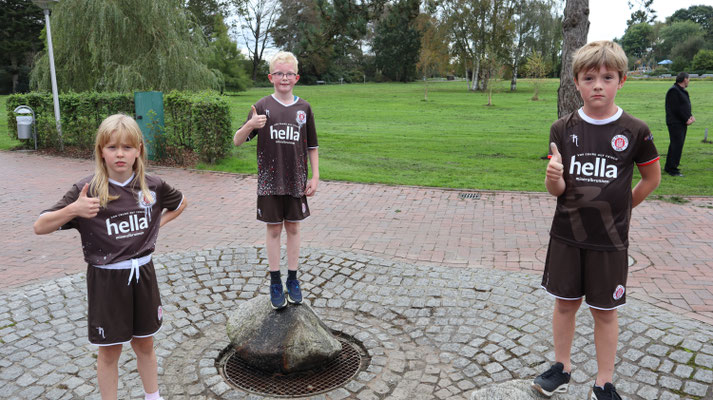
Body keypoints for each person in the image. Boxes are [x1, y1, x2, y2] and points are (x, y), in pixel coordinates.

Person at [531, 41, 661, 400]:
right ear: (577, 82)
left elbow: (652, 180)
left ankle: (604, 382)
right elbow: (555, 191)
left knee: (605, 313)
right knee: (564, 304)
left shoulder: (635, 130)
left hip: (610, 241)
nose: (598, 85)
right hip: (567, 237)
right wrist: (552, 174)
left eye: (607, 77)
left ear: (621, 80)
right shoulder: (562, 128)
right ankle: (561, 367)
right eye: (589, 78)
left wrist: (624, 208)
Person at [34, 114, 187, 400]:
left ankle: (153, 396)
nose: (120, 154)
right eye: (112, 147)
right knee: (110, 350)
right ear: (100, 151)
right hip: (106, 279)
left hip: (143, 274)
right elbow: (40, 226)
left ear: (139, 150)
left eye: (127, 147)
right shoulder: (87, 190)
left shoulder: (152, 186)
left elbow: (181, 204)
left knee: (145, 345)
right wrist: (73, 211)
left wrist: (155, 227)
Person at [233, 51, 319, 310]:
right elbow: (237, 140)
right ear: (271, 77)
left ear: (297, 78)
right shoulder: (261, 107)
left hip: (296, 181)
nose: (284, 78)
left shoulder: (304, 108)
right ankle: (274, 280)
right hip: (270, 182)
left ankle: (293, 279)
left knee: (293, 228)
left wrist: (315, 176)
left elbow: (312, 146)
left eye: (289, 73)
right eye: (279, 73)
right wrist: (251, 126)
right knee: (273, 230)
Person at [664, 72, 695, 177]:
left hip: (681, 122)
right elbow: (676, 108)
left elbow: (684, 106)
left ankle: (669, 167)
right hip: (675, 123)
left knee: (676, 145)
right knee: (676, 145)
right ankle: (672, 169)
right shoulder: (674, 91)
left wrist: (690, 116)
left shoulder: (680, 91)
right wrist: (686, 119)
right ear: (685, 79)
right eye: (688, 79)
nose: (689, 81)